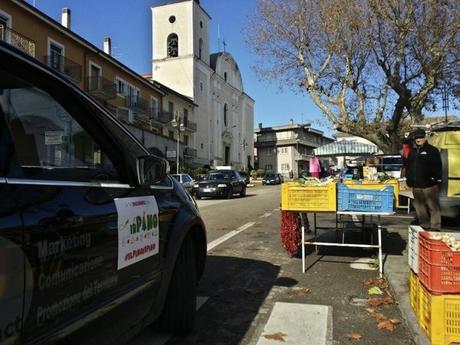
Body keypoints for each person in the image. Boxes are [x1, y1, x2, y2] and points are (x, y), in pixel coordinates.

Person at [405, 128, 442, 231]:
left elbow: (438, 166)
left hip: (430, 185)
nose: (418, 140)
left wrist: (436, 179)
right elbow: (408, 166)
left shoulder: (432, 150)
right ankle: (424, 225)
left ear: (425, 138)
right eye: (416, 138)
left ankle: (435, 226)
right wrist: (408, 179)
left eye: (420, 137)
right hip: (416, 185)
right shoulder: (412, 152)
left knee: (433, 206)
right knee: (419, 207)